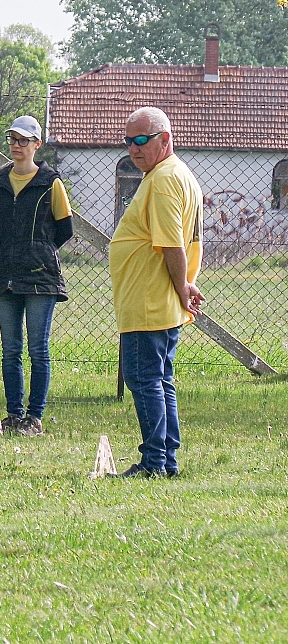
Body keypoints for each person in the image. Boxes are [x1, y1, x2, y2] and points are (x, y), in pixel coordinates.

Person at [109, 106, 204, 478]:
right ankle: (166, 461)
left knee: (144, 379)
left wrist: (182, 287)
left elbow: (171, 243)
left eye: (141, 140)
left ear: (165, 139)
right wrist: (183, 286)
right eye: (128, 141)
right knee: (159, 379)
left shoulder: (163, 179)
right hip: (156, 300)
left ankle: (153, 463)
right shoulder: (175, 174)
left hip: (149, 300)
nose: (133, 148)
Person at [0, 114, 73, 435]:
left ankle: (34, 417)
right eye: (13, 139)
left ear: (37, 145)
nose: (17, 146)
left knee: (38, 349)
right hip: (4, 273)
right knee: (10, 350)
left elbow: (64, 229)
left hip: (40, 277)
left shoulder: (51, 183)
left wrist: (37, 250)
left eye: (23, 140)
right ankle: (14, 415)